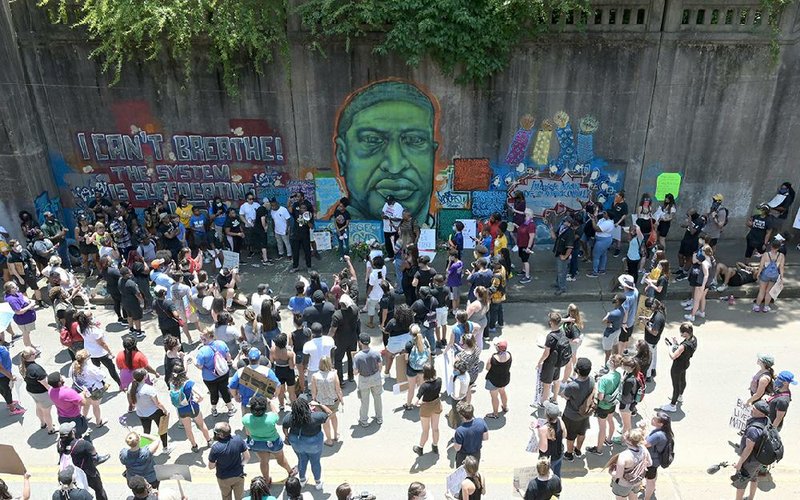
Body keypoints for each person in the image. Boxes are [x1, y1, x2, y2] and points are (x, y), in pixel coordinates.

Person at [242, 395, 295, 487]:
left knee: (263, 461)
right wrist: (270, 402)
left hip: (257, 443)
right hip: (273, 443)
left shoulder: (246, 418)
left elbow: (248, 432)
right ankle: (290, 472)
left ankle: (266, 480)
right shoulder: (271, 418)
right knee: (281, 460)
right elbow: (276, 414)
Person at [282, 397, 331, 491]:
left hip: (296, 442)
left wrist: (287, 436)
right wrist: (319, 404)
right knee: (315, 462)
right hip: (313, 443)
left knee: (301, 459)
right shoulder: (315, 417)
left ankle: (302, 480)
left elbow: (284, 426)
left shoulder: (290, 417)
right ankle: (318, 482)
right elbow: (329, 414)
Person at [56, 421, 110, 500]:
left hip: (70, 474)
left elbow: (70, 447)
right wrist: (87, 441)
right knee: (99, 490)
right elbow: (95, 458)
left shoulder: (59, 444)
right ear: (72, 433)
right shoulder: (83, 444)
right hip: (87, 472)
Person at [732, 400, 771, 500]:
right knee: (754, 477)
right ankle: (750, 498)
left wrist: (740, 463)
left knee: (741, 483)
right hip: (760, 459)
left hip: (750, 461)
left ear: (761, 413)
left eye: (755, 408)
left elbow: (749, 448)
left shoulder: (753, 429)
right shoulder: (767, 420)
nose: (752, 409)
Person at [168, 364, 212, 451]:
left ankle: (194, 446)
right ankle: (209, 441)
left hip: (181, 409)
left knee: (188, 429)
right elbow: (202, 396)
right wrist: (197, 401)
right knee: (201, 424)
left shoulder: (171, 383)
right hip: (192, 407)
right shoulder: (188, 383)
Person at [193, 328, 236, 417]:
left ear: (204, 339)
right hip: (223, 373)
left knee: (213, 393)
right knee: (224, 390)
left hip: (209, 378)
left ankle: (214, 410)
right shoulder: (221, 343)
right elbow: (228, 357)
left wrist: (194, 361)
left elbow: (200, 366)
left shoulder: (202, 351)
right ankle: (230, 409)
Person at [128, 368, 171, 453]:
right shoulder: (149, 389)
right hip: (154, 412)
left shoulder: (131, 386)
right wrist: (164, 410)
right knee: (162, 429)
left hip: (141, 413)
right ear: (144, 377)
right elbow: (157, 403)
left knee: (146, 431)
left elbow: (132, 402)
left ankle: (145, 448)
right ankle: (165, 448)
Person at [586, 354, 622, 455]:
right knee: (610, 420)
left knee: (602, 428)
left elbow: (600, 397)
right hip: (612, 404)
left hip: (603, 406)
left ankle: (599, 449)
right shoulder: (618, 375)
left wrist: (596, 389)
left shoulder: (604, 379)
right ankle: (609, 439)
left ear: (611, 362)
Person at [77, 311, 121, 387]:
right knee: (111, 369)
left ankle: (103, 385)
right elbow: (102, 343)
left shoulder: (79, 327)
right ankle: (120, 385)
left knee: (96, 370)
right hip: (101, 353)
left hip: (90, 353)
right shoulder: (94, 330)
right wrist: (110, 352)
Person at [561, 357, 594, 461]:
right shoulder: (591, 380)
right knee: (582, 433)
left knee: (570, 436)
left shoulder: (572, 386)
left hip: (572, 416)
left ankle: (569, 454)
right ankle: (578, 450)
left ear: (578, 371)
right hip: (585, 414)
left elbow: (565, 396)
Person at [660, 322, 697, 413]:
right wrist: (676, 343)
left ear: (685, 333)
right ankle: (680, 396)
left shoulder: (683, 346)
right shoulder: (693, 339)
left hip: (677, 366)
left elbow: (673, 356)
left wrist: (670, 346)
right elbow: (684, 351)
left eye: (682, 333)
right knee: (683, 380)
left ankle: (672, 405)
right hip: (685, 363)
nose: (681, 334)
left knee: (675, 385)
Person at [209, 422, 250, 500]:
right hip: (238, 475)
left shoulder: (216, 448)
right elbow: (247, 457)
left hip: (223, 478)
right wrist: (240, 465)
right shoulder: (238, 439)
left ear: (220, 435)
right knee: (240, 497)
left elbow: (211, 466)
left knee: (226, 497)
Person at [609, 428, 652, 500]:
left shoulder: (623, 456)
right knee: (634, 496)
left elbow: (619, 475)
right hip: (637, 481)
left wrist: (611, 472)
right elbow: (649, 463)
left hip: (623, 484)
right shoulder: (643, 448)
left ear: (629, 441)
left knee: (620, 498)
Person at [69, 349, 108, 428]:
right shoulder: (90, 368)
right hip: (94, 390)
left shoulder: (73, 365)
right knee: (95, 406)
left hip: (82, 389)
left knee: (86, 404)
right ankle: (98, 422)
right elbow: (102, 376)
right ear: (86, 358)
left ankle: (84, 418)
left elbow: (70, 376)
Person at [410, 363, 443, 456]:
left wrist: (419, 403)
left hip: (426, 408)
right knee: (435, 428)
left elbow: (415, 401)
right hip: (436, 404)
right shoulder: (439, 380)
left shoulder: (424, 386)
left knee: (425, 430)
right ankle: (435, 446)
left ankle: (420, 448)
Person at [311, 356, 344, 446]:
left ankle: (329, 440)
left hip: (321, 403)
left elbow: (314, 392)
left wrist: (313, 401)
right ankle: (336, 434)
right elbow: (338, 389)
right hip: (333, 401)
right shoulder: (333, 374)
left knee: (325, 421)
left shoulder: (315, 376)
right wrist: (341, 400)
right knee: (333, 417)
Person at [19, 346, 54, 431]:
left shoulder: (22, 366)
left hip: (31, 390)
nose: (37, 354)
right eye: (35, 353)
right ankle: (50, 429)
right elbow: (45, 384)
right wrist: (53, 391)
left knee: (38, 406)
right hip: (42, 393)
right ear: (31, 356)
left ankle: (42, 423)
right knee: (46, 411)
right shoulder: (37, 369)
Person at [353, 332, 383, 427]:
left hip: (364, 379)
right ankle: (379, 418)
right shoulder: (376, 353)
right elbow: (380, 367)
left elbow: (355, 372)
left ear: (360, 343)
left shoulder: (357, 356)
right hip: (376, 377)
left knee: (364, 401)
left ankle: (364, 420)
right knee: (377, 398)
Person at [535, 312, 565, 406]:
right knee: (556, 380)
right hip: (558, 362)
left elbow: (546, 353)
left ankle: (544, 403)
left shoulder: (550, 336)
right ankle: (555, 398)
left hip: (550, 363)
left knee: (547, 384)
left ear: (551, 322)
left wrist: (539, 362)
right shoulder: (562, 332)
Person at [329, 293, 359, 383]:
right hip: (353, 339)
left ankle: (340, 379)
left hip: (340, 341)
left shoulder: (337, 315)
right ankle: (351, 376)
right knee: (351, 358)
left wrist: (327, 338)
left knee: (338, 360)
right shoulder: (355, 310)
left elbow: (333, 331)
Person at [643, 412, 673, 500]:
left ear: (661, 424)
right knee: (653, 475)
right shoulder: (664, 432)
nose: (652, 419)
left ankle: (647, 498)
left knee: (650, 480)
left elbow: (645, 444)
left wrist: (641, 430)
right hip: (657, 460)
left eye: (654, 419)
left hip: (652, 461)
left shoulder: (658, 435)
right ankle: (651, 487)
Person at [3, 281, 37, 350]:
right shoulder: (11, 300)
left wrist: (29, 301)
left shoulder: (16, 293)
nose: (16, 287)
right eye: (13, 287)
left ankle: (31, 346)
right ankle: (29, 350)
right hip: (23, 320)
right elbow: (18, 312)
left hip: (28, 318)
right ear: (10, 290)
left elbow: (22, 296)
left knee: (27, 333)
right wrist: (30, 306)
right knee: (26, 334)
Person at [754, 239, 785, 312]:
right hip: (774, 276)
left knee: (762, 291)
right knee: (768, 291)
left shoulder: (765, 255)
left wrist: (758, 274)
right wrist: (781, 277)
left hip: (765, 275)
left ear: (771, 246)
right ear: (778, 247)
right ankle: (766, 307)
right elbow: (781, 267)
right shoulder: (781, 256)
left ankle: (757, 306)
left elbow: (761, 266)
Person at [537, 402, 566, 477]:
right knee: (557, 473)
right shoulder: (560, 421)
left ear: (546, 414)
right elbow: (564, 435)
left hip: (548, 459)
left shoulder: (543, 429)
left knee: (547, 476)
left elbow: (543, 449)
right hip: (559, 453)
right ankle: (557, 486)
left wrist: (538, 434)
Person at [270, 333, 297, 411]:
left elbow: (272, 360)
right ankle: (294, 406)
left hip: (278, 370)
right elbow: (292, 366)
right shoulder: (289, 353)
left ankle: (281, 405)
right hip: (288, 371)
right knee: (291, 392)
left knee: (280, 391)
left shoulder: (272, 350)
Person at [485, 340, 511, 418]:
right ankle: (505, 407)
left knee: (494, 397)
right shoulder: (509, 355)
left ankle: (495, 414)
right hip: (504, 379)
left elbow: (487, 368)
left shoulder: (492, 358)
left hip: (493, 380)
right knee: (502, 392)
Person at [289, 191, 314, 272]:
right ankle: (295, 266)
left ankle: (309, 267)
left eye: (298, 196)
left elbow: (311, 225)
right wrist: (289, 199)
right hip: (296, 232)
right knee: (295, 251)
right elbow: (289, 209)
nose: (297, 198)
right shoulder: (295, 205)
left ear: (303, 197)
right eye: (296, 196)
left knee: (307, 251)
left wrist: (306, 219)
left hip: (305, 234)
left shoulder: (308, 205)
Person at [549, 216, 574, 295]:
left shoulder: (570, 233)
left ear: (569, 223)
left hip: (563, 254)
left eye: (565, 221)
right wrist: (551, 229)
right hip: (558, 252)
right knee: (559, 270)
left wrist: (565, 256)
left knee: (562, 272)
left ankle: (562, 287)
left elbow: (570, 247)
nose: (563, 222)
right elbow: (555, 237)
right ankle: (558, 283)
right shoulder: (562, 228)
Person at [642, 298, 665, 381]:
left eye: (648, 308)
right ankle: (653, 370)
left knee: (649, 358)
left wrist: (645, 324)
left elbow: (654, 332)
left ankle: (647, 376)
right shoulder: (658, 312)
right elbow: (652, 320)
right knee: (654, 354)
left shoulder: (658, 318)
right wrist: (646, 319)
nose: (648, 310)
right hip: (654, 341)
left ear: (652, 307)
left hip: (651, 340)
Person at [618, 274, 639, 355]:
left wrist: (623, 323)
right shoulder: (635, 291)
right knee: (627, 336)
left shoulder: (626, 297)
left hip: (626, 322)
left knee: (621, 339)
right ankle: (625, 350)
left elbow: (625, 311)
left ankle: (619, 354)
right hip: (632, 319)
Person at [601, 295, 625, 363]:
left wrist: (608, 314)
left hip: (610, 334)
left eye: (615, 298)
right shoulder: (622, 309)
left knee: (607, 354)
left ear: (617, 301)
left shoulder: (613, 314)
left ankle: (606, 368)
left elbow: (603, 321)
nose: (613, 298)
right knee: (615, 348)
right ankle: (616, 363)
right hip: (617, 330)